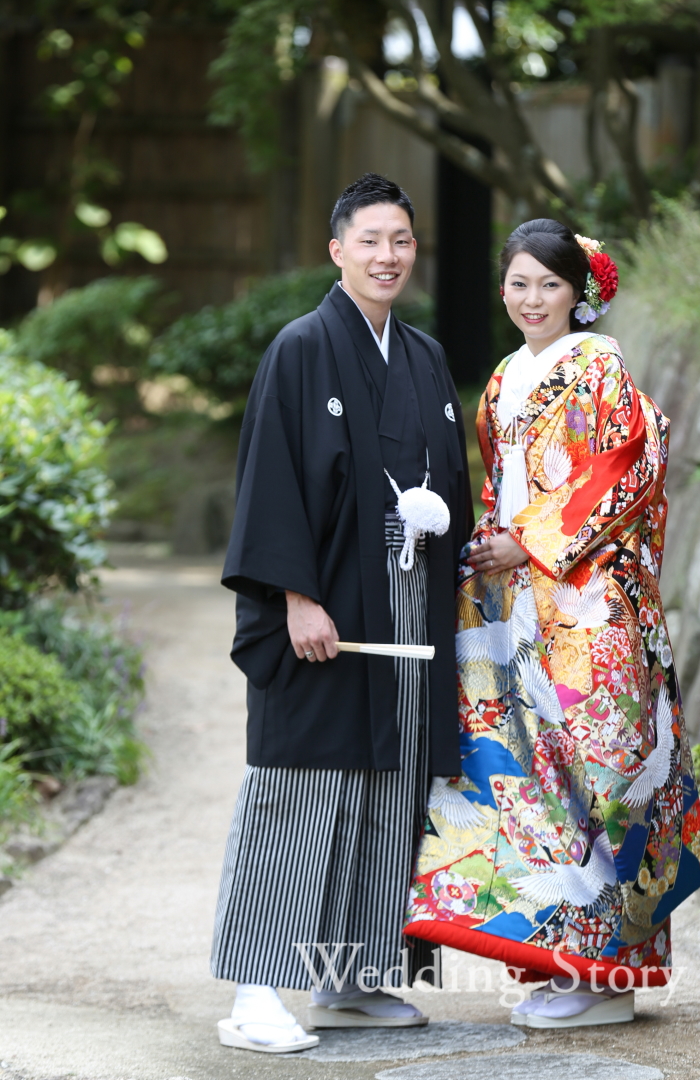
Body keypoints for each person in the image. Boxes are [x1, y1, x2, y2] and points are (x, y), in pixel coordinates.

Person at [405, 219, 700, 1029]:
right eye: (519, 283)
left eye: (550, 283)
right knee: (535, 776)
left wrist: (531, 540)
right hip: (522, 599)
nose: (532, 298)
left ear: (581, 293)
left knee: (602, 776)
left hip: (592, 604)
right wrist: (492, 543)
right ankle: (571, 955)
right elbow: (501, 477)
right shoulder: (507, 375)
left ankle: (609, 971)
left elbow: (627, 467)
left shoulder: (600, 366)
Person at [211, 173, 471, 1054]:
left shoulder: (427, 356)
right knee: (302, 788)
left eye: (400, 240)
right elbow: (271, 482)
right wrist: (295, 596)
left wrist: (443, 519)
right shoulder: (301, 348)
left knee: (392, 789)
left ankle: (354, 975)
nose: (387, 255)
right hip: (326, 605)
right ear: (337, 250)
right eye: (370, 239)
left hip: (408, 601)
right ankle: (255, 989)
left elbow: (447, 482)